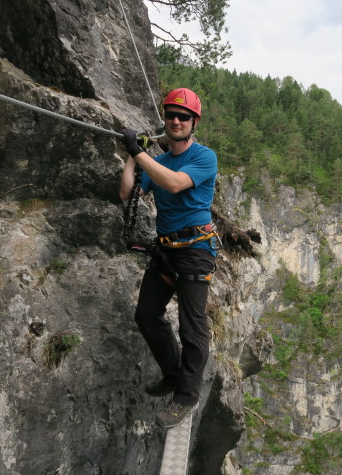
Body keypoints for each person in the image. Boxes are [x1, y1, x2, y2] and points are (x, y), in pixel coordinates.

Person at [118, 88, 218, 428]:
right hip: (166, 250)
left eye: (183, 117)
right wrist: (134, 155)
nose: (176, 121)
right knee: (146, 314)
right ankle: (174, 374)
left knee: (193, 329)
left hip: (195, 250)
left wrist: (137, 151)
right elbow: (127, 192)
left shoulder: (204, 158)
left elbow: (174, 184)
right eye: (171, 115)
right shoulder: (156, 161)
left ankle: (187, 396)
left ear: (194, 123)